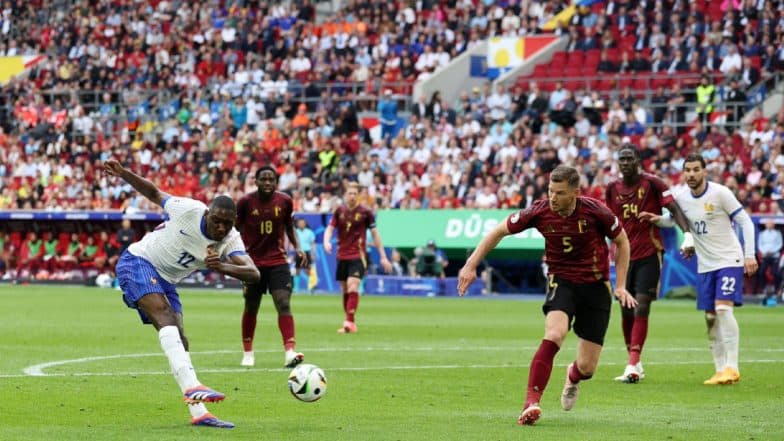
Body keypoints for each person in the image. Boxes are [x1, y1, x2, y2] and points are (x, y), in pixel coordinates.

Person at [457, 165, 636, 426]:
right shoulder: (539, 211)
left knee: (587, 368)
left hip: (596, 287)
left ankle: (572, 376)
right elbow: (498, 231)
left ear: (575, 192)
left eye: (560, 193)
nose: (553, 197)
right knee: (554, 334)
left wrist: (620, 285)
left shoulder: (596, 211)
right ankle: (531, 403)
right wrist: (471, 264)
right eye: (551, 191)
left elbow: (623, 242)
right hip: (561, 281)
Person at [104, 159, 260, 429]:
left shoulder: (231, 239)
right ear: (208, 213)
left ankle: (200, 413)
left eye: (227, 224)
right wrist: (123, 174)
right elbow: (155, 193)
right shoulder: (189, 209)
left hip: (167, 280)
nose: (221, 228)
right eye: (217, 221)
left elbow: (253, 273)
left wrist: (221, 265)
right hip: (138, 261)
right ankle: (193, 387)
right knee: (164, 316)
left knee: (181, 340)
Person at [639, 154, 757, 385]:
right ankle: (720, 370)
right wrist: (655, 219)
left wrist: (749, 255)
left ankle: (733, 367)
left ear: (704, 171)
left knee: (723, 309)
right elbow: (672, 220)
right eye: (688, 170)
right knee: (710, 317)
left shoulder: (720, 193)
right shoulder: (682, 198)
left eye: (695, 170)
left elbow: (746, 222)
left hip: (729, 260)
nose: (691, 174)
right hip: (705, 266)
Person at [605, 145, 695, 383]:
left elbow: (674, 210)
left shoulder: (654, 184)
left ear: (638, 161)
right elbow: (607, 222)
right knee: (625, 308)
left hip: (649, 253)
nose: (625, 163)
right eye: (621, 159)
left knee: (641, 304)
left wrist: (687, 235)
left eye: (629, 158)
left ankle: (633, 362)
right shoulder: (612, 189)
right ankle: (634, 361)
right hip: (623, 256)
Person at [236, 166, 308, 368]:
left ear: (276, 182)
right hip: (252, 264)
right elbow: (235, 230)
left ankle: (290, 352)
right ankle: (248, 353)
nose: (267, 183)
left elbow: (289, 226)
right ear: (256, 181)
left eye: (271, 179)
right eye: (263, 179)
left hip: (278, 261)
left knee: (283, 303)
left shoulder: (284, 201)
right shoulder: (245, 202)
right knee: (251, 306)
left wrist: (298, 247)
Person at [323, 182, 393, 333]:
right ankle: (351, 323)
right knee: (345, 290)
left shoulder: (366, 213)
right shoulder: (339, 211)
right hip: (341, 255)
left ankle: (348, 322)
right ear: (345, 195)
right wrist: (326, 241)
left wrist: (383, 256)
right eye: (350, 193)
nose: (352, 196)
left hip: (358, 255)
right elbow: (330, 228)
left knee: (353, 285)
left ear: (359, 196)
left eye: (355, 193)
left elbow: (375, 234)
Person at [754, 218, 782, 297]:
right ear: (766, 225)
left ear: (773, 225)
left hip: (774, 256)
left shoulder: (777, 233)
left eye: (771, 223)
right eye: (768, 224)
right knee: (761, 272)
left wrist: (773, 251)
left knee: (776, 273)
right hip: (765, 256)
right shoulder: (762, 234)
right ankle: (764, 289)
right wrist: (764, 252)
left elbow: (780, 244)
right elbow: (760, 245)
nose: (769, 225)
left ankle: (777, 290)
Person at [294, 217, 316, 292]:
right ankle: (296, 288)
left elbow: (312, 243)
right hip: (298, 252)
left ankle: (309, 287)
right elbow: (293, 243)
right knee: (297, 270)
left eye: (303, 223)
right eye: (300, 223)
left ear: (305, 224)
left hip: (307, 252)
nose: (301, 224)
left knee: (308, 270)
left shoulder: (309, 232)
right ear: (297, 224)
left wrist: (313, 253)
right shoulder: (295, 232)